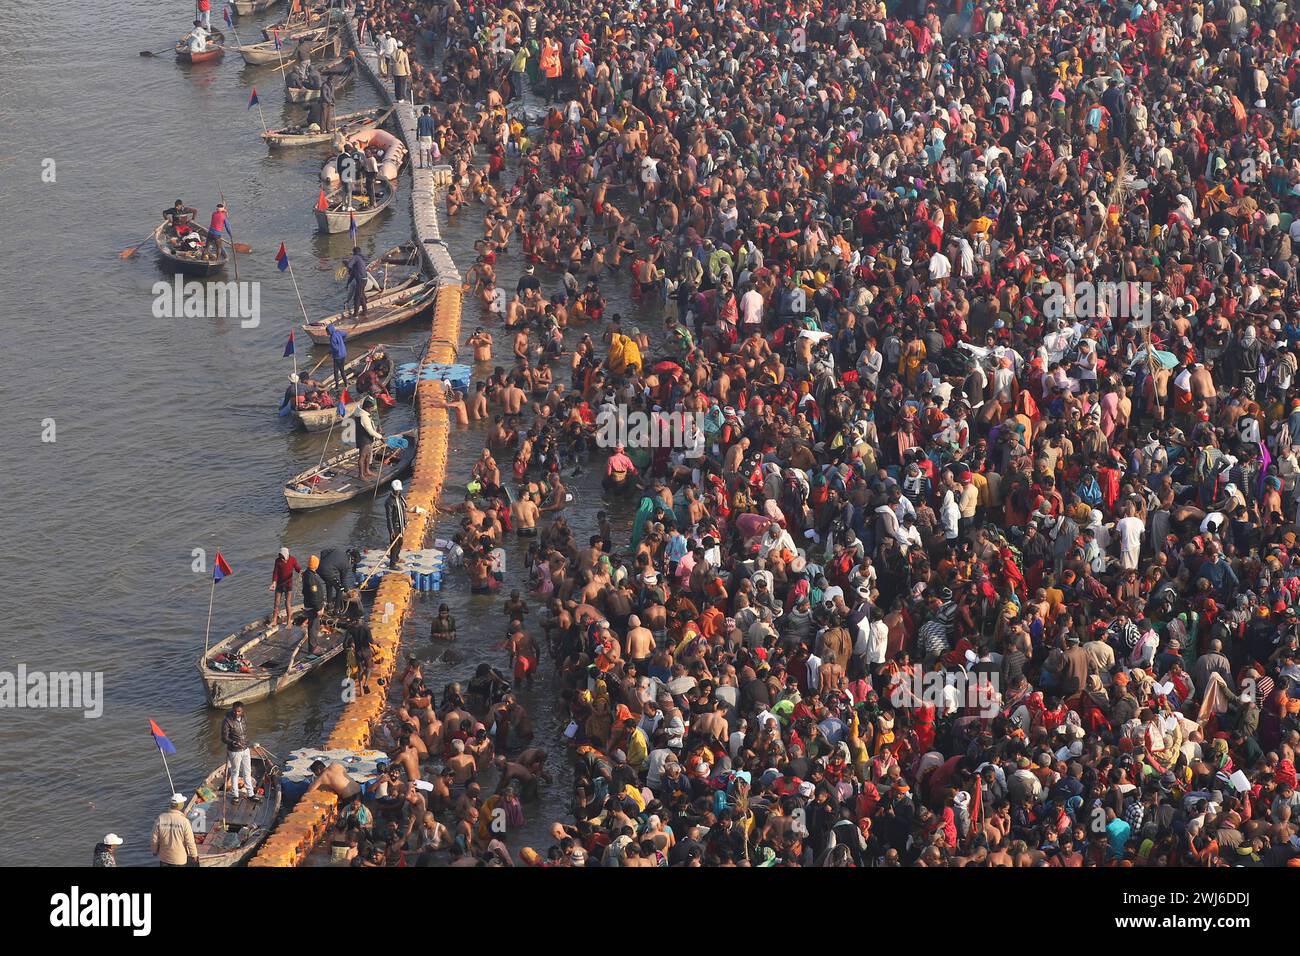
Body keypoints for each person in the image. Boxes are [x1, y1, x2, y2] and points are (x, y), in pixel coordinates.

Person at [221, 702, 257, 800]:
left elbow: (244, 732)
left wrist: (246, 744)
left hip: (245, 749)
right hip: (234, 751)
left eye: (239, 711)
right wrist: (233, 742)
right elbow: (224, 738)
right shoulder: (227, 721)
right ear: (232, 710)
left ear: (242, 711)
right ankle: (235, 795)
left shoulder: (244, 718)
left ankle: (250, 794)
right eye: (235, 711)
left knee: (247, 771)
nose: (237, 713)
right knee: (235, 772)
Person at [150, 794, 197, 867]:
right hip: (179, 859)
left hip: (164, 858)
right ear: (180, 805)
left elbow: (154, 838)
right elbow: (190, 841)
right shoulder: (184, 821)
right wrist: (194, 854)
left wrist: (154, 850)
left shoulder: (160, 818)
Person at [300, 555, 327, 652]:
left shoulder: (308, 574)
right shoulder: (311, 577)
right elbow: (314, 594)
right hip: (313, 606)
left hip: (312, 605)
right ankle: (312, 647)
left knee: (315, 626)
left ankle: (314, 644)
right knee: (313, 627)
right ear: (315, 565)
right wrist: (318, 608)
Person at [268, 547, 301, 625]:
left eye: (283, 558)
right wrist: (273, 582)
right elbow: (275, 573)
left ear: (287, 555)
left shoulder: (292, 559)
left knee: (287, 603)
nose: (282, 559)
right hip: (279, 585)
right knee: (276, 603)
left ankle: (289, 621)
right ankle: (274, 620)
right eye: (281, 557)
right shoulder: (277, 561)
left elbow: (297, 568)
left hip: (288, 585)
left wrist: (302, 572)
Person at [354, 394, 383, 481]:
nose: (371, 411)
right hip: (364, 439)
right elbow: (370, 431)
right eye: (371, 409)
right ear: (367, 408)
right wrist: (380, 437)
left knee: (368, 454)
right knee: (362, 456)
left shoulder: (361, 413)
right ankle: (361, 475)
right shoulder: (364, 417)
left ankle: (367, 470)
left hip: (367, 438)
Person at [344, 246, 370, 320]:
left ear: (354, 252)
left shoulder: (356, 257)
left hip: (361, 280)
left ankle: (355, 315)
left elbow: (349, 265)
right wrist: (347, 284)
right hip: (364, 280)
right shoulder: (360, 260)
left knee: (356, 298)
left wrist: (346, 263)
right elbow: (352, 275)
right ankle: (365, 311)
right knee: (361, 296)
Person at [327, 321, 348, 390]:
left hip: (338, 356)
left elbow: (335, 349)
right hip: (343, 354)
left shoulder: (332, 338)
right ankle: (346, 384)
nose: (327, 333)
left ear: (330, 331)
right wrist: (342, 340)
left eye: (327, 332)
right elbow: (345, 333)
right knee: (342, 369)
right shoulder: (338, 332)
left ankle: (337, 386)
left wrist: (330, 351)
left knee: (336, 371)